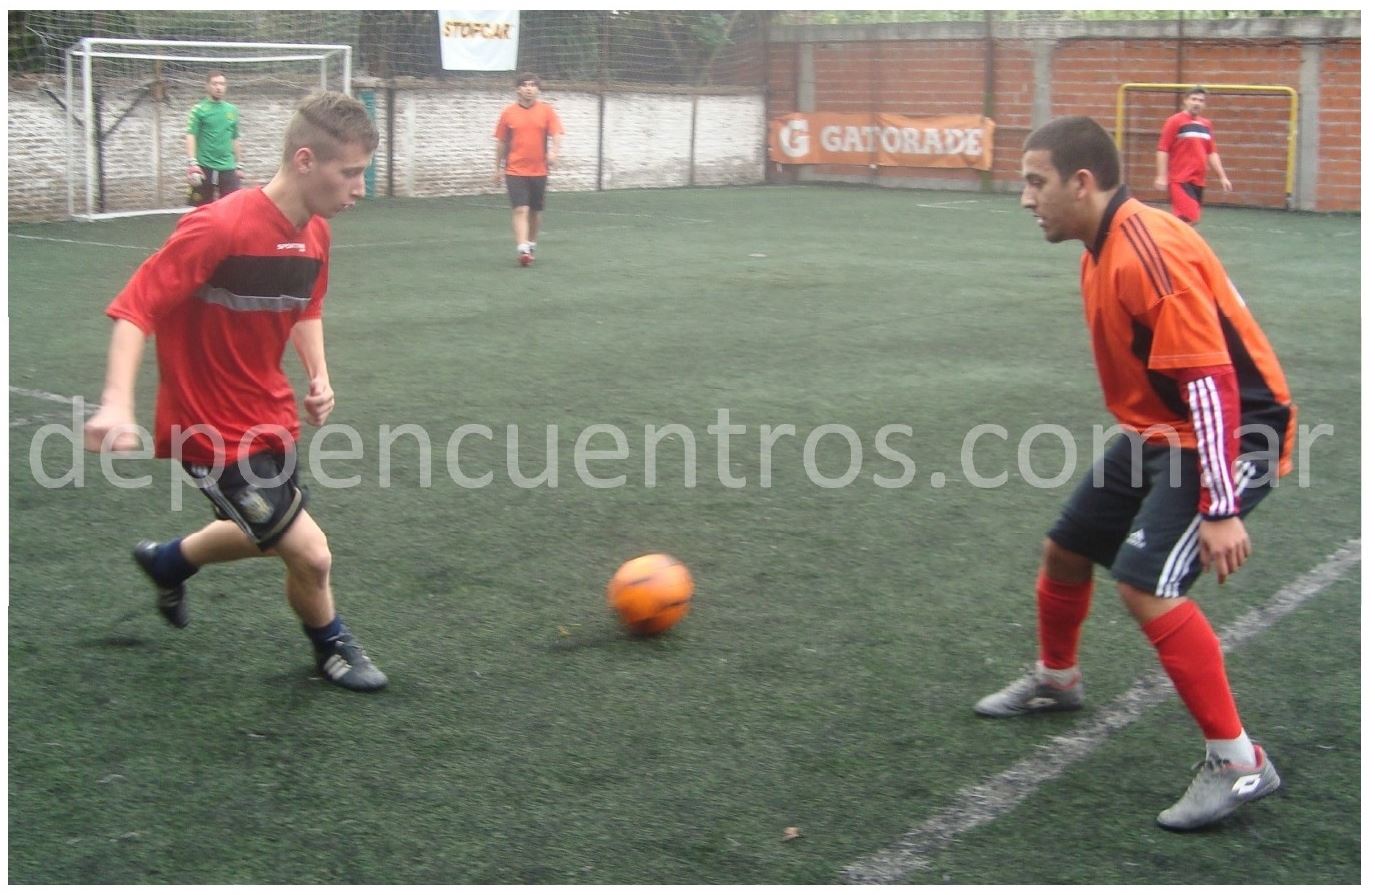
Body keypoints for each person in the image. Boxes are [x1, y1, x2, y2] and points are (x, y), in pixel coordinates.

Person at [979, 115, 1296, 831]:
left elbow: (1212, 383)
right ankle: (1057, 679)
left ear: (1081, 182)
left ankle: (1239, 762)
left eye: (1035, 182)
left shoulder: (1145, 251)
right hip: (1164, 427)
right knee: (1066, 548)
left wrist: (1219, 505)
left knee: (1145, 585)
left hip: (1231, 432)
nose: (1025, 198)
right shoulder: (1103, 244)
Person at [84, 91, 387, 692]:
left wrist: (319, 374)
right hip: (208, 430)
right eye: (350, 173)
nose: (359, 188)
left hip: (270, 416)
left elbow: (307, 306)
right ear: (305, 160)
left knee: (271, 535)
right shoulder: (218, 226)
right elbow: (135, 309)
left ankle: (167, 561)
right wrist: (117, 401)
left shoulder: (316, 235)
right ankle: (332, 647)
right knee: (309, 551)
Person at [492, 72, 564, 267]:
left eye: (533, 85)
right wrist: (497, 168)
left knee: (535, 211)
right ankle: (523, 249)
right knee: (520, 209)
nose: (529, 88)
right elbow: (501, 142)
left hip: (539, 170)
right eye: (524, 85)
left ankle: (531, 244)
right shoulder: (508, 112)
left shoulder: (546, 111)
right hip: (514, 170)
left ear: (538, 89)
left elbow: (557, 134)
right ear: (518, 89)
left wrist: (554, 152)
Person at [1153, 86, 1232, 224]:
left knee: (1187, 221)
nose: (1197, 103)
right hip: (1180, 180)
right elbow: (1163, 149)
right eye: (1194, 99)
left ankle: (1168, 235)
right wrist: (1161, 176)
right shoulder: (1175, 121)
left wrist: (1222, 177)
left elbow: (1212, 152)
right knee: (1191, 217)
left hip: (1198, 181)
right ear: (1185, 101)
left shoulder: (1206, 125)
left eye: (1201, 100)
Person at [185, 70, 244, 206]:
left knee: (231, 208)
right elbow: (191, 135)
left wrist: (239, 164)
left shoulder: (232, 110)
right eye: (215, 84)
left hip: (228, 168)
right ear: (207, 86)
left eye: (222, 84)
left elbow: (235, 138)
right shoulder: (198, 110)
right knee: (203, 209)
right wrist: (193, 163)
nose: (219, 87)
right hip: (204, 168)